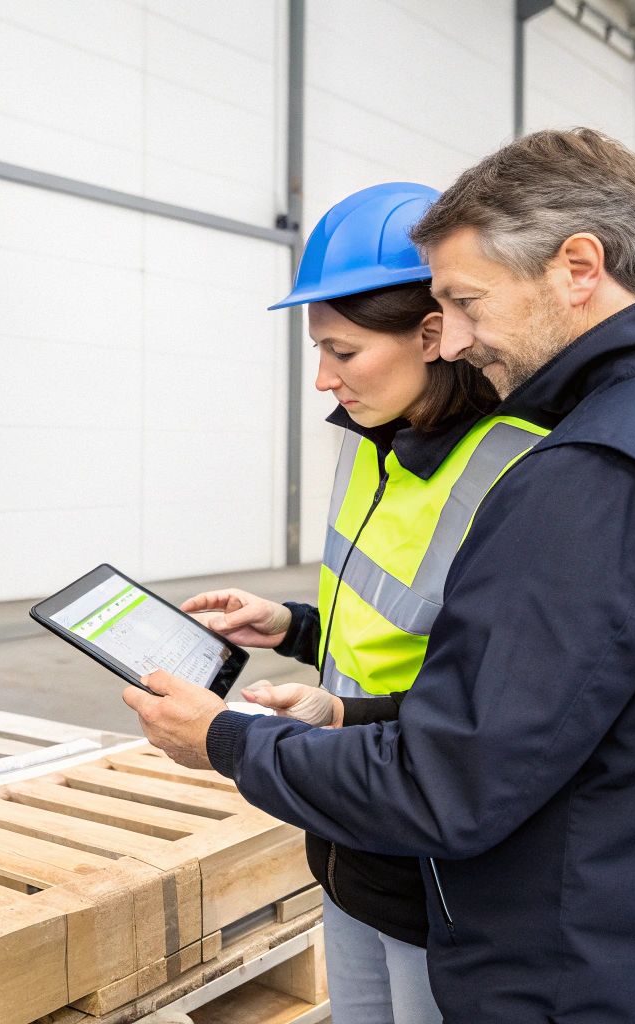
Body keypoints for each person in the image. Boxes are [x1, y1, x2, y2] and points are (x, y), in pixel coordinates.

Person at [122, 128, 635, 1023]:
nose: (455, 337)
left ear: (577, 267)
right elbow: (605, 710)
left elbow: (449, 783)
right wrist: (338, 699)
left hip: (594, 974)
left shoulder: (595, 472)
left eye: (467, 301)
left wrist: (225, 742)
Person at [183, 181, 546, 1024]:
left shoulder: (525, 470)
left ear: (432, 333)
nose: (323, 379)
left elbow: (509, 709)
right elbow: (393, 621)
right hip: (347, 840)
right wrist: (294, 627)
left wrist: (313, 723)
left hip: (440, 873)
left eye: (343, 352)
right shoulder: (370, 444)